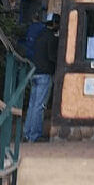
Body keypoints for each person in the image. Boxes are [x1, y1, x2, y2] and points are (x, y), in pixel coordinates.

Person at [24, 13, 59, 142]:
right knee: (40, 106)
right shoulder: (51, 38)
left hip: (34, 72)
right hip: (45, 74)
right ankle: (34, 135)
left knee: (32, 105)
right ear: (54, 23)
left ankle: (27, 133)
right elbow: (52, 56)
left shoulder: (39, 36)